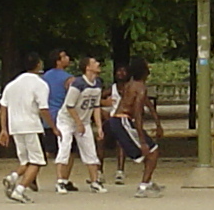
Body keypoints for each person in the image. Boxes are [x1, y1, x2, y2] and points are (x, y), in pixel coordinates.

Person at [0, 52, 51, 203]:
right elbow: (43, 109)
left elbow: (2, 107)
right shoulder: (40, 84)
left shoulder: (12, 85)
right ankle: (20, 189)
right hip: (32, 125)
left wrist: (4, 129)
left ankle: (13, 177)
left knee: (25, 160)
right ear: (38, 65)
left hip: (15, 126)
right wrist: (52, 126)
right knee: (37, 161)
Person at [54, 56, 108, 194]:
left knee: (90, 150)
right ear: (87, 67)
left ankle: (95, 181)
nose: (98, 64)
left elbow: (96, 106)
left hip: (83, 121)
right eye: (95, 62)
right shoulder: (78, 84)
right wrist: (78, 123)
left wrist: (99, 126)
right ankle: (60, 181)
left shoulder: (97, 84)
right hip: (67, 120)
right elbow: (70, 105)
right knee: (65, 146)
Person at [109, 63, 162, 195]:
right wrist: (142, 139)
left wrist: (157, 123)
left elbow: (148, 104)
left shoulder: (130, 85)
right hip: (123, 121)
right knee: (152, 152)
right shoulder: (140, 88)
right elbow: (137, 113)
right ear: (145, 72)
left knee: (150, 153)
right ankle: (143, 187)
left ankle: (147, 181)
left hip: (118, 120)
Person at [40, 50, 74, 169]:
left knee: (50, 150)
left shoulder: (45, 77)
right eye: (64, 56)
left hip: (48, 117)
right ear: (58, 61)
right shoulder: (69, 79)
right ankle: (63, 178)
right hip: (63, 117)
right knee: (68, 151)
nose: (68, 58)